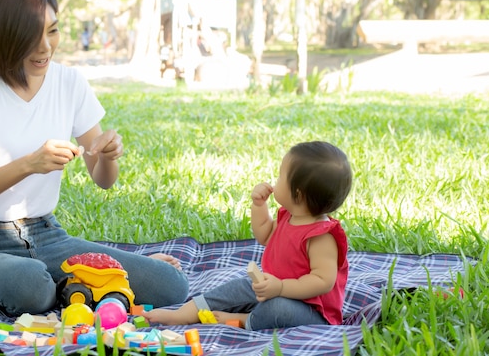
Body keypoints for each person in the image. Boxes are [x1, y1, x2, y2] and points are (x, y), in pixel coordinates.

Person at [0, 0, 189, 316]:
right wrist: (30, 164)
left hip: (49, 236)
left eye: (52, 31)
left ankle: (78, 283)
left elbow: (103, 179)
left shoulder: (69, 82)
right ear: (2, 37)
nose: (45, 47)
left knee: (170, 284)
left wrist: (108, 155)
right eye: (31, 36)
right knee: (32, 288)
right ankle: (74, 284)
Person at [145, 141, 352, 330]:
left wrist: (280, 288)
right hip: (272, 287)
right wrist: (259, 206)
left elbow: (322, 281)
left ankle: (246, 320)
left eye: (280, 176)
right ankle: (183, 314)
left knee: (278, 308)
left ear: (297, 194)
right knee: (239, 286)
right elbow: (265, 235)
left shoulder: (321, 236)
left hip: (309, 311)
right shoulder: (289, 216)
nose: (275, 180)